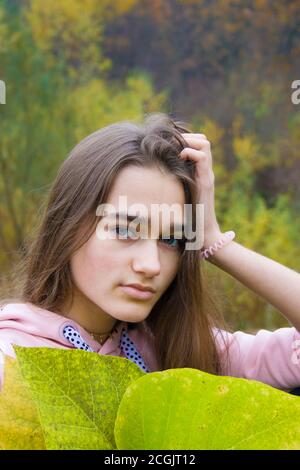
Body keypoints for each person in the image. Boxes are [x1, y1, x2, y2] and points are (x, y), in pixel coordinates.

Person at [1, 112, 300, 395]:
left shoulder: (173, 349)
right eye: (124, 231)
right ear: (66, 226)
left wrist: (213, 240)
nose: (150, 265)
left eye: (171, 239)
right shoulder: (11, 357)